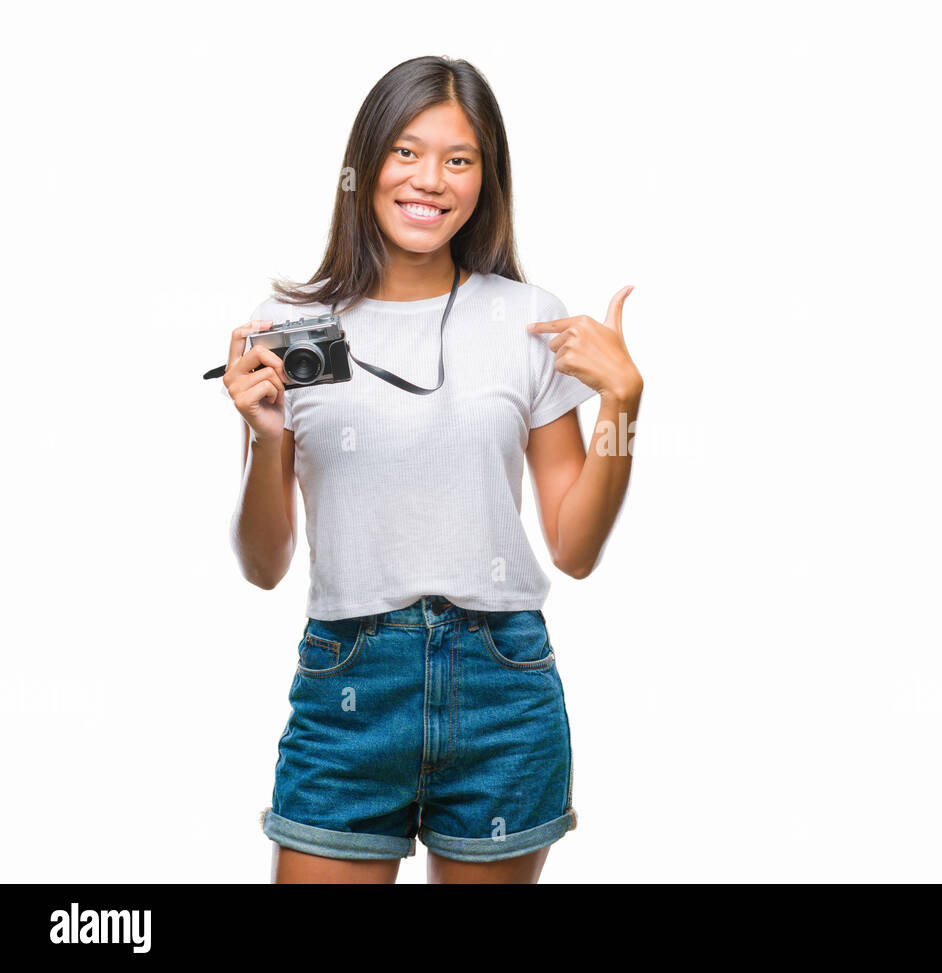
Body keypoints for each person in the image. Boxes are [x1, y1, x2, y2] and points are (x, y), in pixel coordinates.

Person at [223, 55, 642, 884]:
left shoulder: (530, 319)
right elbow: (264, 565)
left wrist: (622, 403)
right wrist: (268, 435)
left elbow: (575, 547)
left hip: (501, 683)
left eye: (460, 159)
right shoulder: (285, 329)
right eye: (407, 152)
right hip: (348, 684)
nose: (431, 180)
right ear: (366, 161)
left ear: (487, 179)